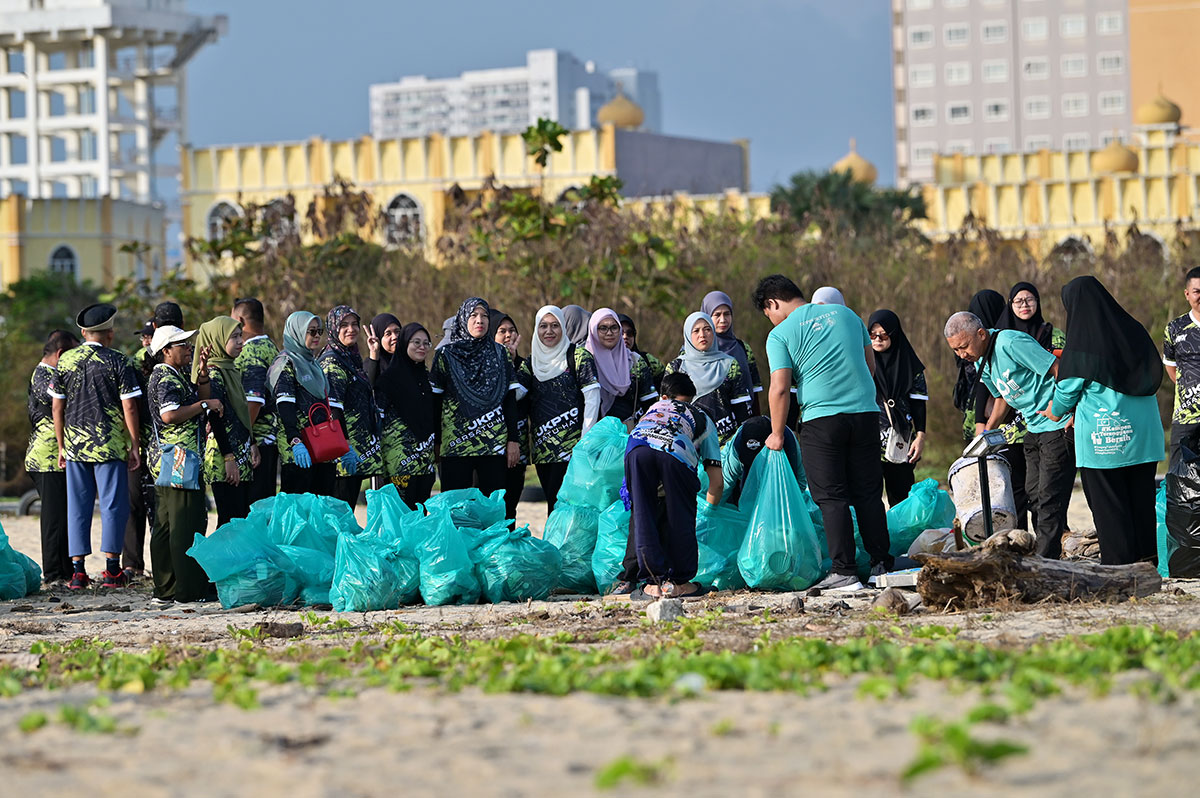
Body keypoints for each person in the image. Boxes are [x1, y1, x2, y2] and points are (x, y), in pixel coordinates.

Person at [755, 274, 892, 592]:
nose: (771, 320)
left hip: (822, 420)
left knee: (831, 497)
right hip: (865, 414)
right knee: (869, 492)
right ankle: (880, 564)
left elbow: (779, 388)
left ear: (772, 303)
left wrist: (777, 433)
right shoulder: (848, 315)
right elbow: (869, 365)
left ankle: (843, 570)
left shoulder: (781, 334)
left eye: (768, 313)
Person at [1040, 276, 1163, 566]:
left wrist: (1055, 411)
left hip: (1105, 440)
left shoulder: (1083, 342)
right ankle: (1148, 561)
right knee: (1141, 501)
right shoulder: (1134, 330)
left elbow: (1068, 389)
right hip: (1144, 437)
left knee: (1109, 504)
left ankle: (1120, 566)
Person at [944, 311, 1074, 558]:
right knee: (1033, 494)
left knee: (1049, 498)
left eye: (964, 346)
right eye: (956, 350)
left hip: (1056, 425)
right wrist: (988, 429)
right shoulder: (979, 360)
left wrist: (1066, 407)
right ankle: (1041, 553)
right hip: (1032, 427)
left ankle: (1047, 560)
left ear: (981, 334)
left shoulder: (1010, 343)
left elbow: (1056, 367)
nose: (962, 354)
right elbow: (1001, 397)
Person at [49, 303, 142, 590]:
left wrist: (62, 445)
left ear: (83, 332)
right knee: (113, 506)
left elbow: (56, 407)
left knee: (78, 506)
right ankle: (112, 570)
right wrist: (135, 444)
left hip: (76, 446)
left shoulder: (65, 361)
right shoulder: (119, 361)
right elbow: (130, 407)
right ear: (110, 333)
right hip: (110, 444)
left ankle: (78, 573)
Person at [624, 372, 723, 600]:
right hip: (675, 452)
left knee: (643, 513)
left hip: (637, 448)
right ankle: (679, 584)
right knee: (681, 514)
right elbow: (716, 482)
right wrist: (710, 512)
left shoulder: (653, 408)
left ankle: (652, 584)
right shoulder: (703, 418)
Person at [145, 325, 219, 603]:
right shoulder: (165, 378)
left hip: (172, 459)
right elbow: (169, 414)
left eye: (189, 343)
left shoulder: (174, 375)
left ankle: (165, 589)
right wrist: (205, 406)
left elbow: (199, 398)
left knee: (165, 524)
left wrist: (201, 374)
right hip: (179, 459)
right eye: (182, 345)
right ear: (166, 351)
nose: (189, 348)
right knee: (184, 524)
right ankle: (188, 591)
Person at [430, 298, 522, 494]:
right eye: (473, 315)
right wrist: (436, 442)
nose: (480, 320)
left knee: (492, 509)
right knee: (456, 508)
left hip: (493, 445)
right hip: (455, 446)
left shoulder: (501, 354)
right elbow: (435, 404)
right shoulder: (445, 355)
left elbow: (509, 401)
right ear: (463, 319)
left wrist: (513, 440)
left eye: (485, 316)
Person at [518, 305, 601, 514]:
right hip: (544, 451)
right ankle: (555, 545)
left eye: (555, 325)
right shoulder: (531, 362)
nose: (549, 331)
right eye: (543, 326)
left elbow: (593, 397)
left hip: (574, 449)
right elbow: (516, 394)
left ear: (564, 328)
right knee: (553, 506)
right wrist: (507, 358)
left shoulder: (579, 356)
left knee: (573, 506)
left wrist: (586, 439)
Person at [193, 316, 259, 527]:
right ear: (218, 340)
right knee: (228, 523)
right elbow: (216, 418)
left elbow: (240, 414)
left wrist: (253, 442)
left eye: (241, 336)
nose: (240, 341)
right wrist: (229, 459)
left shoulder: (230, 369)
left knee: (239, 520)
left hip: (239, 454)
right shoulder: (213, 373)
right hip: (224, 458)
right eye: (234, 337)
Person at [26, 330, 79, 584]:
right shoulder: (43, 376)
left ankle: (66, 570)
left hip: (58, 457)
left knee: (63, 516)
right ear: (60, 354)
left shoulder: (52, 375)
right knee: (54, 519)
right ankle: (54, 573)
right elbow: (61, 403)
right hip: (46, 458)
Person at [269, 311, 337, 497]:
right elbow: (285, 405)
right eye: (311, 331)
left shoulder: (313, 364)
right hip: (298, 453)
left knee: (321, 512)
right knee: (297, 511)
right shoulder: (285, 363)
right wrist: (295, 441)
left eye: (319, 331)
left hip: (322, 449)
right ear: (297, 332)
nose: (316, 336)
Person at [319, 306, 380, 508]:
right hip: (342, 456)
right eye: (344, 325)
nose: (351, 329)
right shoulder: (332, 361)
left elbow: (364, 390)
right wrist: (344, 446)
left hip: (356, 451)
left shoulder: (350, 357)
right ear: (333, 328)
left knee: (346, 514)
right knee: (339, 517)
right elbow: (334, 409)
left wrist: (373, 356)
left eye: (354, 324)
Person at [373, 323, 438, 509]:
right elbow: (378, 417)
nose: (422, 347)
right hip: (399, 459)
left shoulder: (426, 376)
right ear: (404, 344)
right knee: (402, 511)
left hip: (424, 457)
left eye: (426, 343)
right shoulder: (389, 378)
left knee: (422, 509)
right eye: (416, 342)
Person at [868, 309, 928, 506]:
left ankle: (900, 537)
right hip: (866, 440)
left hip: (900, 441)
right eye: (872, 334)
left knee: (901, 497)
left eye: (883, 335)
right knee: (868, 498)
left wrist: (920, 437)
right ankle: (876, 537)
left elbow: (919, 404)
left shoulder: (910, 366)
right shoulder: (862, 363)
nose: (877, 339)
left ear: (894, 334)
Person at [666, 312, 752, 445]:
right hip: (687, 443)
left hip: (724, 444)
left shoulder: (729, 364)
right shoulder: (676, 367)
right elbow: (666, 409)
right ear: (688, 335)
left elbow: (741, 409)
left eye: (707, 329)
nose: (702, 335)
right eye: (696, 330)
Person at [232, 297, 279, 504]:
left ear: (241, 320)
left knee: (254, 511)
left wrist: (243, 438)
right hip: (270, 440)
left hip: (256, 444)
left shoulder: (251, 351)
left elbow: (254, 401)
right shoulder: (272, 347)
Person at [124, 321, 158, 578]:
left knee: (140, 505)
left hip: (147, 441)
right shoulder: (134, 362)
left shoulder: (134, 363)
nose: (145, 340)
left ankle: (138, 564)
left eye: (149, 336)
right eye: (143, 336)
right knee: (138, 504)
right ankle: (135, 564)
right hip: (146, 441)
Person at [586, 308, 658, 425]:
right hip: (594, 435)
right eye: (603, 328)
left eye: (614, 327)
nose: (609, 333)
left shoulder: (635, 361)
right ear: (593, 330)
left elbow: (650, 405)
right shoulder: (585, 362)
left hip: (630, 434)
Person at [491, 309, 530, 520]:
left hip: (517, 448)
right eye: (502, 331)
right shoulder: (482, 365)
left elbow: (517, 397)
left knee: (510, 507)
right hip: (488, 449)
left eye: (512, 331)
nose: (508, 335)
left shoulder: (524, 366)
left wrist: (511, 364)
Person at [719, 416, 804, 507]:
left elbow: (799, 483)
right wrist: (712, 512)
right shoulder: (737, 448)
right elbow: (726, 484)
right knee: (744, 501)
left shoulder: (789, 444)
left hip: (777, 465)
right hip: (742, 468)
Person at [701, 290, 764, 415]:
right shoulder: (697, 352)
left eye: (727, 314)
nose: (723, 320)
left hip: (744, 419)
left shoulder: (743, 348)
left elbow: (754, 390)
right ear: (707, 316)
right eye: (717, 315)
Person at [1163, 266, 1200, 468]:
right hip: (1186, 416)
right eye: (1197, 292)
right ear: (1187, 294)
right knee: (1179, 475)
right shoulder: (1175, 328)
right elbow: (1171, 369)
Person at [999, 282, 1061, 352]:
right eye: (1018, 301)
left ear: (1037, 301)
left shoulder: (1052, 334)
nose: (1024, 305)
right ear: (1011, 304)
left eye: (1029, 300)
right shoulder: (1000, 335)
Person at [618, 313, 665, 392]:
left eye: (630, 333)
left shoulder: (646, 360)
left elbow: (667, 383)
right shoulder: (603, 361)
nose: (625, 337)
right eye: (621, 333)